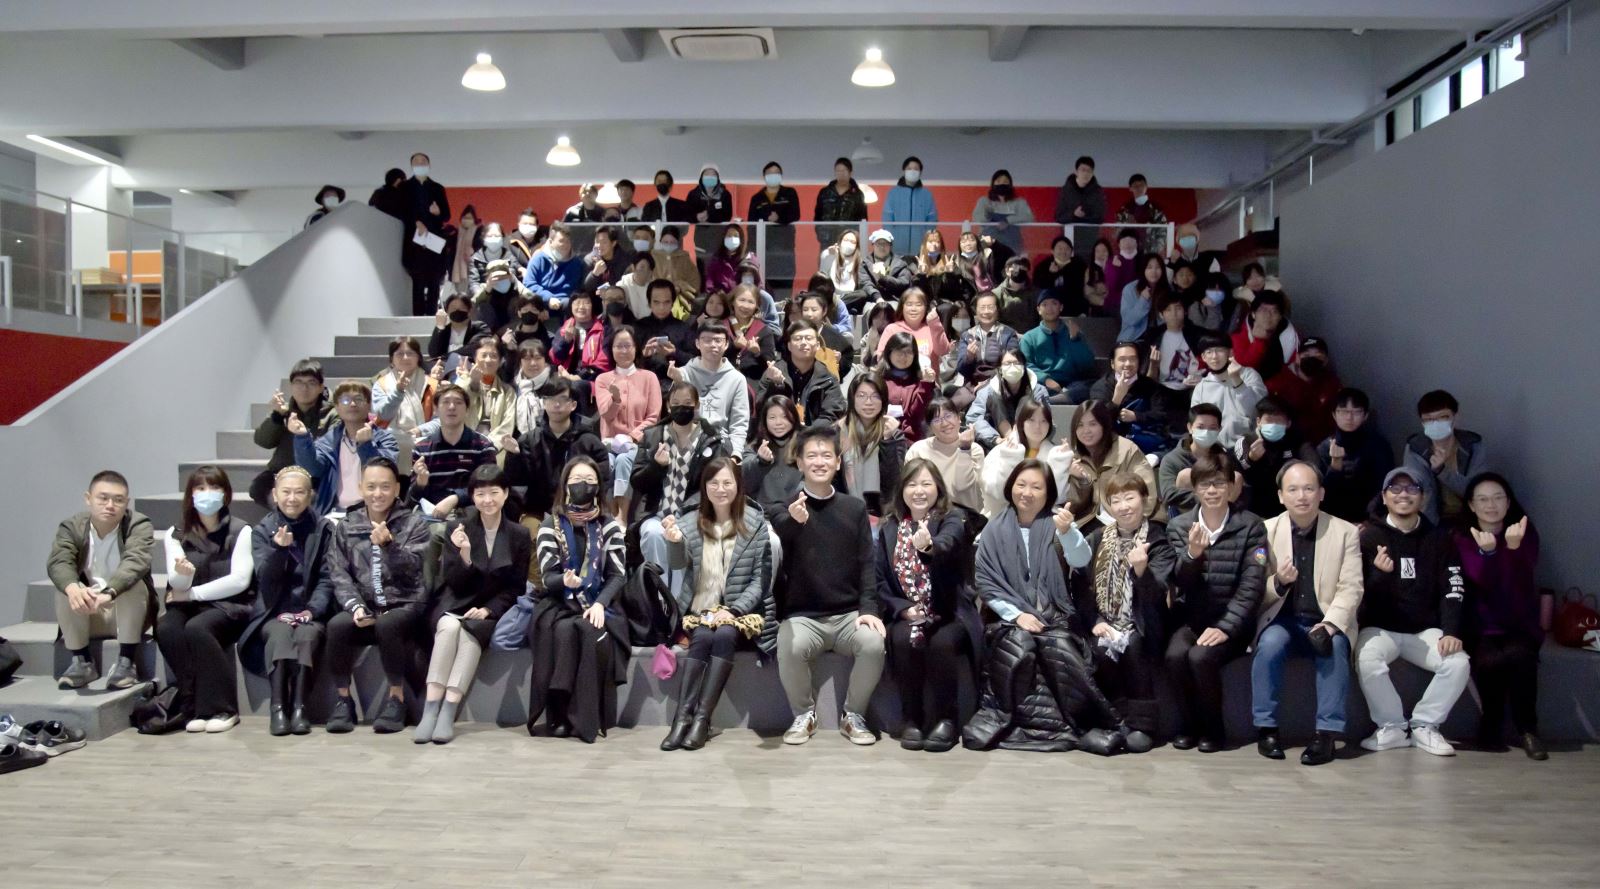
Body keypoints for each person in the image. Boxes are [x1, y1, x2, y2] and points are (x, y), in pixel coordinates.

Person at [968, 459, 1132, 754]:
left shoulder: (1059, 523)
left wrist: (1068, 532)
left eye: (1036, 487)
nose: (1027, 492)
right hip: (1007, 619)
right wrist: (1017, 615)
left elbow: (1081, 560)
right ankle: (1028, 726)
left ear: (1048, 493)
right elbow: (986, 582)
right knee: (1019, 646)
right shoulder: (993, 529)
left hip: (1054, 616)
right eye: (1021, 484)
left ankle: (1083, 723)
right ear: (1011, 487)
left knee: (1058, 648)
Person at [773, 425, 885, 746]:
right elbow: (779, 545)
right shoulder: (784, 508)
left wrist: (869, 609)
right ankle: (804, 714)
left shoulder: (854, 508)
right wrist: (793, 522)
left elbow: (867, 563)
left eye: (826, 455)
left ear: (837, 462)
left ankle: (853, 715)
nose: (819, 461)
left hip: (848, 614)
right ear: (799, 462)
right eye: (811, 455)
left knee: (873, 643)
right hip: (804, 616)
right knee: (790, 646)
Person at [1252, 461, 1364, 766]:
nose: (1301, 496)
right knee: (1269, 645)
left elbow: (1351, 587)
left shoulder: (1346, 532)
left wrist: (1330, 624)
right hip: (1282, 619)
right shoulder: (1265, 531)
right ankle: (1266, 729)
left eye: (1308, 488)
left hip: (1326, 619)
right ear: (1280, 496)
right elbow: (1254, 586)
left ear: (1321, 493)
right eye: (1293, 489)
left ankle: (1326, 735)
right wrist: (1278, 582)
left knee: (1334, 646)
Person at [659, 457, 776, 750]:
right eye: (714, 483)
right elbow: (677, 564)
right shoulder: (690, 521)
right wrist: (674, 541)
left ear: (738, 485)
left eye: (727, 483)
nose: (720, 489)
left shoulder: (755, 523)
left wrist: (733, 611)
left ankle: (701, 719)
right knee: (702, 637)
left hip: (744, 612)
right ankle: (682, 719)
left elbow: (761, 581)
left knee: (723, 634)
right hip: (702, 609)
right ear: (705, 486)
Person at [1354, 467, 1470, 756]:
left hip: (1424, 630)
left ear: (1423, 497)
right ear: (1384, 497)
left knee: (1458, 663)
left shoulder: (1440, 539)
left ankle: (1425, 726)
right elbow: (1357, 595)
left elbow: (1453, 588)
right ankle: (1391, 727)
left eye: (1411, 489)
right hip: (1380, 628)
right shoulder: (1368, 537)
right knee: (1367, 659)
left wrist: (1451, 631)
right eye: (1395, 488)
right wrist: (1379, 575)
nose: (1403, 494)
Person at [414, 465, 531, 744]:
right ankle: (431, 708)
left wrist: (489, 610)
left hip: (489, 609)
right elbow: (453, 582)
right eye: (480, 494)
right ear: (472, 496)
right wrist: (465, 555)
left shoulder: (519, 535)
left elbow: (515, 587)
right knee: (449, 628)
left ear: (505, 494)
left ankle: (448, 710)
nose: (487, 500)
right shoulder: (457, 527)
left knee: (469, 634)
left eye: (494, 492)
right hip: (456, 601)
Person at [1164, 452, 1266, 752]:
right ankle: (1188, 726)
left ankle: (1213, 729)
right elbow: (1180, 583)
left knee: (1201, 657)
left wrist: (1226, 627)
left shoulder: (1252, 526)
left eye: (1219, 483)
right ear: (1195, 489)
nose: (1212, 491)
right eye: (1205, 484)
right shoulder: (1179, 526)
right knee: (1175, 656)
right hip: (1193, 619)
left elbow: (1252, 585)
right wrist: (1192, 555)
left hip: (1233, 622)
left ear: (1231, 487)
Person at [877, 458, 980, 752]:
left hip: (948, 611)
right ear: (902, 490)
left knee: (942, 643)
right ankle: (912, 718)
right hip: (908, 612)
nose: (919, 491)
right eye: (911, 484)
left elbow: (948, 543)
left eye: (926, 483)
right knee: (901, 639)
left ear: (938, 488)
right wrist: (902, 609)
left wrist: (928, 547)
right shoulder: (890, 527)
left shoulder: (952, 518)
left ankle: (947, 719)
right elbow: (880, 580)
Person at [322, 457, 430, 734]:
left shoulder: (413, 523)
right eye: (371, 487)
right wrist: (355, 606)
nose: (377, 493)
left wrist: (389, 546)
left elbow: (415, 570)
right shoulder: (347, 525)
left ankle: (397, 699)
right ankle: (344, 701)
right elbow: (339, 573)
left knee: (388, 624)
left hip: (404, 604)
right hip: (365, 605)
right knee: (336, 625)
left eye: (385, 486)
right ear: (361, 488)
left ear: (397, 488)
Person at [529, 456, 630, 742]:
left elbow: (618, 576)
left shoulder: (609, 526)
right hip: (559, 601)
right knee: (561, 629)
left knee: (588, 629)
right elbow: (547, 577)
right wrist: (565, 580)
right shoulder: (550, 525)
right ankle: (558, 713)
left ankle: (585, 717)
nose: (582, 486)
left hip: (599, 601)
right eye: (576, 480)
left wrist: (600, 603)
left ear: (598, 487)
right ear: (565, 485)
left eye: (589, 481)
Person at [1072, 472, 1174, 748]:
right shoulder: (1096, 538)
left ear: (1144, 499)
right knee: (1099, 650)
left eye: (1129, 498)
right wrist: (1095, 620)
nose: (1123, 506)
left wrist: (1142, 571)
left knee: (1135, 645)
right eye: (1115, 500)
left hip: (1144, 622)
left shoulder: (1158, 539)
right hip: (1105, 620)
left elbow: (1158, 595)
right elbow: (1080, 585)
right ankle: (1114, 720)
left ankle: (1143, 725)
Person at [159, 465, 255, 734]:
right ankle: (191, 703)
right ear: (190, 495)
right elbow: (177, 585)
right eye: (200, 488)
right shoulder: (175, 533)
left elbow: (239, 580)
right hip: (188, 603)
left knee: (198, 627)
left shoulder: (241, 530)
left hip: (231, 604)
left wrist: (192, 593)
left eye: (214, 487)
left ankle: (223, 709)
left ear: (226, 494)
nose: (207, 493)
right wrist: (183, 576)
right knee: (167, 628)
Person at [1455, 473, 1545, 759]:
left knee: (1521, 657)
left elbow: (1521, 581)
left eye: (1497, 498)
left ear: (1508, 502)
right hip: (1480, 625)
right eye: (1482, 499)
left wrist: (1513, 549)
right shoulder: (1462, 538)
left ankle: (1528, 730)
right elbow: (1482, 580)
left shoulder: (1524, 532)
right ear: (1471, 505)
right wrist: (1490, 554)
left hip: (1520, 622)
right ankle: (1491, 724)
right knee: (1489, 660)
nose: (1490, 505)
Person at [242, 466, 333, 736]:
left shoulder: (324, 528)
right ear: (275, 494)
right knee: (280, 635)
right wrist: (279, 551)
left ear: (310, 495)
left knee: (306, 635)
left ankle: (300, 708)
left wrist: (311, 611)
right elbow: (265, 580)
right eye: (286, 492)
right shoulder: (262, 530)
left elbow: (328, 578)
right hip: (274, 610)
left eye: (299, 492)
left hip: (310, 610)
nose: (292, 498)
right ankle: (278, 708)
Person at [47, 470, 154, 691]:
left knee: (134, 584)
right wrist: (73, 588)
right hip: (88, 612)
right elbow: (59, 561)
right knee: (66, 588)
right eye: (103, 498)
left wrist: (110, 592)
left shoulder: (138, 524)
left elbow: (136, 562)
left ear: (127, 503)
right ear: (88, 499)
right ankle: (82, 661)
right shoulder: (72, 526)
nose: (110, 505)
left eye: (118, 500)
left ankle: (126, 661)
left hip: (126, 612)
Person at [407, 382, 497, 590]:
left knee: (449, 534)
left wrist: (455, 498)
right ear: (436, 408)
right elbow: (411, 498)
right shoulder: (422, 447)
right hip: (432, 513)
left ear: (467, 409)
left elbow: (489, 487)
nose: (451, 407)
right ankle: (426, 596)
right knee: (424, 537)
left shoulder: (482, 445)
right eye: (445, 402)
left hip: (472, 509)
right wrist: (420, 483)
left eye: (458, 403)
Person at [504, 377, 610, 519]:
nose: (557, 404)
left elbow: (602, 479)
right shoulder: (529, 440)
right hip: (537, 513)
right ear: (544, 403)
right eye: (551, 399)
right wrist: (513, 456)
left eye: (563, 399)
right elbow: (517, 483)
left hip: (580, 511)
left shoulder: (589, 441)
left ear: (573, 405)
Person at [292, 381, 399, 516]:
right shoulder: (329, 440)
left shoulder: (385, 439)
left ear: (369, 405)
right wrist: (302, 437)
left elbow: (384, 472)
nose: (352, 404)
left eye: (359, 399)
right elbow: (312, 469)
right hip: (334, 511)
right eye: (345, 400)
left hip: (373, 512)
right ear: (337, 407)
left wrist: (365, 445)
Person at [594, 326, 661, 521]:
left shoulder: (649, 377)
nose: (623, 350)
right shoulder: (603, 379)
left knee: (624, 460)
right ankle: (607, 514)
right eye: (618, 346)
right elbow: (605, 414)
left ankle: (621, 516)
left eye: (628, 346)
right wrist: (615, 399)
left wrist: (632, 437)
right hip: (609, 443)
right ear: (611, 349)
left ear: (636, 348)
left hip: (638, 443)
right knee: (608, 462)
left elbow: (653, 417)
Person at [1058, 399, 1157, 528]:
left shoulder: (1127, 449)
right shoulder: (1073, 456)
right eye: (1080, 425)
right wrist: (1081, 481)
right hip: (1088, 522)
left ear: (1104, 425)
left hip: (1126, 522)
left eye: (1093, 424)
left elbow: (1147, 493)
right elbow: (1073, 506)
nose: (1086, 430)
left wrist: (1131, 526)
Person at [251, 359, 337, 507]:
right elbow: (263, 441)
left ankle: (290, 516)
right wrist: (277, 416)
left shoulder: (332, 414)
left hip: (314, 476)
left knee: (310, 496)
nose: (304, 388)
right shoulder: (283, 411)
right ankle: (285, 515)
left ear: (320, 387)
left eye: (311, 383)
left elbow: (327, 453)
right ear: (291, 386)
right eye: (298, 382)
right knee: (259, 487)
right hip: (282, 472)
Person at [1403, 389, 1490, 526]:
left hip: (1471, 519)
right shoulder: (1416, 448)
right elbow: (1418, 493)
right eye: (1429, 419)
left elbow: (1478, 492)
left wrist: (1442, 471)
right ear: (1422, 423)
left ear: (1455, 418)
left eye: (1443, 417)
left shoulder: (1472, 445)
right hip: (1433, 523)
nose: (1436, 423)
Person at [1317, 387, 1396, 523]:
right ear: (1334, 415)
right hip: (1333, 519)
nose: (1349, 417)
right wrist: (1335, 467)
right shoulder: (1324, 448)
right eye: (1343, 411)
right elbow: (1321, 493)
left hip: (1371, 519)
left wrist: (1370, 520)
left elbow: (1385, 484)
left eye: (1356, 412)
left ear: (1365, 415)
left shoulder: (1378, 445)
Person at [1234, 396, 1320, 518]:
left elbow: (1314, 465)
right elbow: (1243, 476)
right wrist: (1252, 459)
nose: (1273, 425)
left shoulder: (1297, 441)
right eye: (1269, 420)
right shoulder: (1246, 441)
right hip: (1255, 510)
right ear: (1258, 422)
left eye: (1279, 421)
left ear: (1288, 423)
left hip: (1290, 507)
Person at [671, 320, 750, 452]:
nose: (713, 345)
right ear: (697, 343)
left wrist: (736, 453)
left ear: (726, 344)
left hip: (721, 442)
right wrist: (677, 382)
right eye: (707, 340)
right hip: (688, 438)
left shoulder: (737, 379)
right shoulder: (684, 373)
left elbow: (739, 423)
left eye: (718, 340)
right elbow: (675, 412)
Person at [980, 399, 1064, 518]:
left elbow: (1058, 496)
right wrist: (1009, 460)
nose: (1037, 426)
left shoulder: (1055, 455)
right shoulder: (1002, 450)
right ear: (1021, 423)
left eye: (1043, 421)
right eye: (1031, 420)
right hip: (1001, 516)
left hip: (1040, 518)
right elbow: (992, 491)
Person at [840, 375, 908, 519]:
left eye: (875, 396)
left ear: (883, 400)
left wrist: (888, 440)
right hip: (844, 510)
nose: (868, 402)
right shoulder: (838, 432)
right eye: (861, 396)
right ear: (852, 399)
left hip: (881, 513)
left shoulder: (895, 435)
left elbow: (893, 483)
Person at [906, 398, 984, 515]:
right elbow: (909, 490)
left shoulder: (974, 450)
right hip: (929, 514)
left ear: (958, 418)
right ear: (930, 427)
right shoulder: (918, 450)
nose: (945, 423)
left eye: (948, 416)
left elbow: (962, 487)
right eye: (937, 420)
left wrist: (965, 449)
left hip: (966, 516)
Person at [1189, 332, 1267, 448]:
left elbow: (1257, 411)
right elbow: (1197, 423)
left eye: (1220, 350)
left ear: (1230, 352)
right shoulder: (1201, 387)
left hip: (1249, 445)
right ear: (1203, 357)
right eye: (1209, 352)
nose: (1214, 356)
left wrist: (1237, 380)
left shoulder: (1249, 375)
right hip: (1215, 448)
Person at [1089, 341, 1169, 454]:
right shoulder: (1100, 387)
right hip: (1112, 444)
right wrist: (1116, 400)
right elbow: (1098, 421)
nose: (1128, 364)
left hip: (1145, 442)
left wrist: (1136, 416)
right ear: (1112, 363)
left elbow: (1162, 415)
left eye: (1132, 359)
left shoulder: (1150, 385)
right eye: (1122, 359)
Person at [1144, 292, 1208, 431]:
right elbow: (1149, 380)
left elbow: (1208, 365)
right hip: (1163, 389)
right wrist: (1153, 364)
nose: (1174, 314)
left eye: (1178, 308)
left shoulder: (1197, 335)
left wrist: (1201, 378)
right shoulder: (1153, 336)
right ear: (1161, 315)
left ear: (1185, 311)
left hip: (1192, 389)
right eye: (1168, 310)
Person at [965, 347, 1049, 452]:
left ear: (1024, 367)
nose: (1012, 367)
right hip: (997, 444)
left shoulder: (1038, 390)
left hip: (1030, 442)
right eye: (1007, 363)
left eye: (1017, 363)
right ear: (1000, 368)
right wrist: (995, 439)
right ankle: (1008, 436)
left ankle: (1017, 438)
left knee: (1027, 401)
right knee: (995, 397)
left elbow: (1047, 420)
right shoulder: (988, 391)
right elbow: (974, 418)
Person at [370, 337, 436, 469]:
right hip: (389, 445)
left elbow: (441, 420)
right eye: (400, 354)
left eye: (410, 353)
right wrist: (398, 391)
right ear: (391, 359)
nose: (405, 357)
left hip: (425, 442)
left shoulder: (432, 385)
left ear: (418, 357)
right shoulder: (381, 384)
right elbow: (383, 415)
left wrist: (420, 430)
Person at [1020, 290, 1095, 404]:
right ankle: (1056, 399)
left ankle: (1053, 400)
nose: (1049, 308)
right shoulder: (1029, 337)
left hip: (1071, 385)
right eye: (1045, 304)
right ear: (1039, 310)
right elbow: (1025, 364)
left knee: (1089, 387)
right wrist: (1046, 379)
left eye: (1054, 303)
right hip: (1042, 383)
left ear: (1061, 307)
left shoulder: (1073, 332)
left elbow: (1087, 365)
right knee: (1030, 388)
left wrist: (1075, 340)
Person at [1266, 337, 1341, 447]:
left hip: (1325, 443)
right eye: (1306, 355)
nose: (1312, 359)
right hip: (1289, 443)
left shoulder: (1332, 384)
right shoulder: (1278, 383)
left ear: (1325, 361)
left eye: (1318, 356)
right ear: (1297, 358)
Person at [401, 152, 450, 316]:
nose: (420, 164)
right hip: (414, 242)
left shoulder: (437, 188)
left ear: (429, 165)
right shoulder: (405, 187)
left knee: (434, 280)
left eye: (423, 161)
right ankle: (417, 317)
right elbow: (401, 211)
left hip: (433, 240)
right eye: (416, 162)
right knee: (418, 281)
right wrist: (415, 222)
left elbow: (447, 215)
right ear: (411, 165)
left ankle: (432, 316)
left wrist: (438, 212)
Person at [1157, 404, 1225, 516]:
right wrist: (1207, 498)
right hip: (1186, 516)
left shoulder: (1224, 457)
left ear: (1219, 429)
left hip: (1221, 513)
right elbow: (1169, 495)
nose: (1206, 432)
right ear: (1190, 427)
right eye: (1201, 427)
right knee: (1186, 475)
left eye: (1212, 428)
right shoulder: (1171, 459)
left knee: (1237, 477)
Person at [953, 291, 1020, 401]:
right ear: (976, 311)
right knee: (951, 405)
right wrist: (969, 357)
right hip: (972, 386)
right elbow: (962, 370)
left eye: (990, 307)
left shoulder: (1008, 334)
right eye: (982, 308)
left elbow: (1012, 366)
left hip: (1000, 385)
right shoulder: (967, 335)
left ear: (997, 310)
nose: (986, 311)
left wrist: (989, 382)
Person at [748, 161, 800, 295]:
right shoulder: (757, 198)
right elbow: (751, 226)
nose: (773, 176)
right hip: (764, 250)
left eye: (776, 173)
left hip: (784, 250)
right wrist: (752, 252)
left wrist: (779, 218)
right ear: (764, 176)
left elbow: (795, 214)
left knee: (784, 291)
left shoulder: (789, 193)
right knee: (764, 289)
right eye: (770, 173)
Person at [877, 332, 935, 443]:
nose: (904, 356)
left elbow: (917, 414)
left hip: (910, 440)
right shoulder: (877, 380)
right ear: (889, 352)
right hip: (880, 437)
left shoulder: (921, 382)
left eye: (909, 352)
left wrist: (926, 384)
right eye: (899, 351)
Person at [743, 394, 802, 502]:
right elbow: (744, 481)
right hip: (763, 510)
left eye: (784, 416)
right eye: (772, 417)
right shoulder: (755, 447)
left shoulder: (805, 444)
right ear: (764, 421)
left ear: (793, 417)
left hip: (797, 507)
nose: (778, 423)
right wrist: (760, 461)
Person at [523, 222, 586, 320]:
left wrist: (553, 307)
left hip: (563, 305)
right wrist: (548, 298)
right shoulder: (538, 258)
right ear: (551, 241)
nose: (565, 245)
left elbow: (574, 290)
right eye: (561, 241)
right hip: (539, 301)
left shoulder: (576, 263)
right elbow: (529, 283)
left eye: (568, 241)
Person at [550, 291, 612, 381]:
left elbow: (603, 362)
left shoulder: (604, 330)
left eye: (586, 303)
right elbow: (554, 358)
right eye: (577, 303)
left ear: (593, 306)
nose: (581, 307)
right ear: (571, 306)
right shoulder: (564, 329)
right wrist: (566, 342)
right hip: (565, 376)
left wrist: (578, 377)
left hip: (593, 379)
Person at [1230, 289, 1291, 380]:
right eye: (1263, 310)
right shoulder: (1237, 337)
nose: (1268, 315)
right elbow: (1244, 370)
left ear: (1280, 317)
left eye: (1274, 311)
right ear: (1253, 314)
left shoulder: (1290, 335)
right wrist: (1259, 342)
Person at [1054, 155, 1106, 261]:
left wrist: (1083, 217)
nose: (1086, 173)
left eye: (1089, 171)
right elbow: (1059, 217)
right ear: (1076, 171)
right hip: (1068, 239)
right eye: (1083, 170)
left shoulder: (1098, 191)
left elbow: (1100, 217)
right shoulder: (1066, 190)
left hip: (1089, 240)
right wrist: (1073, 214)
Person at [725, 284, 779, 384]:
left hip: (752, 383)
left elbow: (770, 365)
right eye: (742, 300)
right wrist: (733, 347)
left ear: (756, 306)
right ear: (733, 301)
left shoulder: (764, 330)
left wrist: (757, 353)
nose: (746, 306)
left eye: (751, 302)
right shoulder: (721, 327)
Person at [818, 229, 880, 315]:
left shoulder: (860, 262)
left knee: (862, 295)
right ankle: (836, 307)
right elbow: (822, 278)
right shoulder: (829, 254)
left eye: (852, 242)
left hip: (850, 298)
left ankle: (837, 307)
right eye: (846, 240)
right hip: (832, 297)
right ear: (840, 242)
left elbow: (864, 283)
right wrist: (830, 256)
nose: (848, 244)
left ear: (856, 246)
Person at [971, 169, 1034, 253]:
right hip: (988, 245)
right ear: (993, 184)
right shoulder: (984, 201)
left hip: (1012, 245)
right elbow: (977, 218)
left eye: (1005, 181)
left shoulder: (1019, 202)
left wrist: (1008, 220)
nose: (1002, 184)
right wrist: (992, 219)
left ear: (1010, 184)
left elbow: (1029, 217)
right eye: (998, 181)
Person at [882, 156, 937, 250]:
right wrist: (890, 241)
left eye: (916, 169)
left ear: (920, 172)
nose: (912, 171)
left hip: (920, 248)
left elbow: (932, 220)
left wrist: (927, 240)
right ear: (904, 171)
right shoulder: (893, 193)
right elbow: (887, 220)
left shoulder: (927, 195)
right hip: (896, 247)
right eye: (909, 168)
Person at [427, 291, 491, 370]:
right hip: (445, 371)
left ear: (469, 311)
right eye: (453, 308)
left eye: (462, 307)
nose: (457, 310)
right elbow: (433, 353)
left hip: (471, 369)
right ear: (447, 311)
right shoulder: (444, 330)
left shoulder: (481, 327)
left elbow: (472, 348)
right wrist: (439, 327)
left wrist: (445, 357)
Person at [814, 156, 869, 247]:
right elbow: (818, 216)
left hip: (848, 241)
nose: (841, 174)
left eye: (844, 171)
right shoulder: (825, 192)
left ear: (850, 172)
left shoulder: (857, 194)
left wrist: (855, 237)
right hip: (826, 240)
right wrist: (821, 234)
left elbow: (863, 219)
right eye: (838, 171)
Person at [797, 292, 855, 377]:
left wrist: (838, 361)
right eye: (805, 310)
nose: (809, 314)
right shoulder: (794, 334)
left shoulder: (835, 336)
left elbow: (847, 356)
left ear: (824, 311)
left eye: (814, 310)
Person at [1031, 237, 1088, 318]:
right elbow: (1038, 287)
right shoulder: (1043, 266)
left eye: (1067, 249)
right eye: (1060, 248)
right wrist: (1051, 274)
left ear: (1071, 251)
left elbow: (1083, 290)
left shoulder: (1079, 266)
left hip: (1074, 312)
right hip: (1049, 313)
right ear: (1052, 251)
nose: (1063, 251)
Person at [1118, 254, 1168, 344]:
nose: (1154, 271)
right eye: (1149, 267)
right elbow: (1130, 320)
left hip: (1160, 339)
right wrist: (1143, 300)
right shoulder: (1130, 289)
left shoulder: (1167, 289)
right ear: (1143, 269)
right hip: (1133, 339)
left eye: (1157, 267)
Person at [686, 164, 734, 257]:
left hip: (719, 237)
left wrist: (709, 215)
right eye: (707, 174)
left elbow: (727, 216)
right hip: (700, 239)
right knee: (702, 263)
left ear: (718, 177)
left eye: (713, 175)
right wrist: (697, 217)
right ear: (701, 177)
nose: (710, 177)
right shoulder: (693, 194)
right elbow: (687, 215)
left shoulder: (725, 194)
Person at [1115, 173, 1169, 256]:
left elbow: (1163, 233)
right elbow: (1118, 233)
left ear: (1146, 187)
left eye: (1141, 185)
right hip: (1130, 253)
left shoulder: (1156, 210)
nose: (1139, 188)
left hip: (1150, 253)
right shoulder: (1124, 210)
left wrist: (1153, 252)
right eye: (1135, 186)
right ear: (1130, 188)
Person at [652, 225, 703, 306]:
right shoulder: (653, 257)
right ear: (660, 241)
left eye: (672, 242)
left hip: (681, 302)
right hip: (657, 301)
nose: (669, 245)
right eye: (665, 242)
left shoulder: (685, 258)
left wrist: (680, 287)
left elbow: (694, 283)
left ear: (678, 243)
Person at [510, 340, 552, 436]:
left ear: (545, 360)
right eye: (527, 359)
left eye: (538, 358)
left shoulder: (554, 384)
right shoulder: (514, 386)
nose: (533, 363)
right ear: (520, 362)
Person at [863, 228, 915, 303]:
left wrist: (884, 278)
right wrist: (877, 297)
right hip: (872, 301)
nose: (882, 247)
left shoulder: (901, 263)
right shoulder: (865, 264)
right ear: (873, 245)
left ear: (890, 246)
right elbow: (865, 284)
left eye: (885, 244)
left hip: (895, 300)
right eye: (878, 244)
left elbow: (904, 282)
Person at [470, 222, 523, 294]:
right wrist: (483, 293)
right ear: (483, 238)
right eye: (490, 236)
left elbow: (513, 274)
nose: (493, 238)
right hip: (485, 295)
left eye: (497, 236)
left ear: (503, 238)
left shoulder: (510, 257)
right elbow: (473, 283)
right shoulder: (476, 259)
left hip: (507, 296)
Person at [994, 255, 1041, 334]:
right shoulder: (996, 294)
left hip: (1031, 337)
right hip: (1006, 337)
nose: (1019, 270)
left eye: (1022, 268)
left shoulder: (1037, 293)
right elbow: (994, 322)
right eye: (1015, 267)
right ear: (1007, 271)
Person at [1101, 230, 1141, 318]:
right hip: (1116, 304)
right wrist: (1116, 268)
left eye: (1131, 240)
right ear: (1119, 245)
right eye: (1124, 240)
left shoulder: (1142, 261)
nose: (1127, 243)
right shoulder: (1112, 261)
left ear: (1136, 244)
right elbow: (1111, 286)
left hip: (1137, 303)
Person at [703, 222, 748, 296]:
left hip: (740, 298)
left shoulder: (747, 260)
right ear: (724, 238)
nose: (732, 239)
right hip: (720, 298)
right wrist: (715, 294)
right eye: (729, 235)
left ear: (741, 240)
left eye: (735, 236)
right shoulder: (716, 260)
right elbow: (709, 283)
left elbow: (754, 285)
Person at [562, 183, 606, 254]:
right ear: (580, 195)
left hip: (595, 250)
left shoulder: (602, 212)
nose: (587, 194)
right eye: (584, 192)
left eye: (590, 192)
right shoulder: (572, 212)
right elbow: (562, 230)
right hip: (575, 250)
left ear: (596, 195)